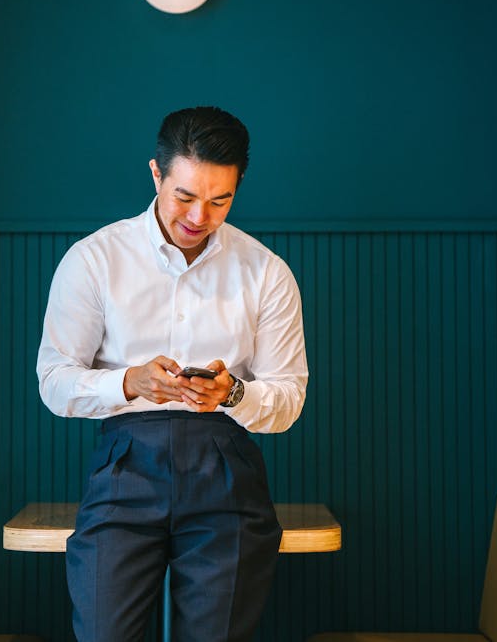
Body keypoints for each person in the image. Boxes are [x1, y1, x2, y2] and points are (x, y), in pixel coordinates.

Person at [36, 106, 308, 642]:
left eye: (220, 200)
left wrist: (233, 394)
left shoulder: (267, 273)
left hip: (226, 474)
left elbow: (288, 397)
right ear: (157, 174)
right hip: (123, 468)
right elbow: (54, 381)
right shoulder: (94, 260)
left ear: (237, 189)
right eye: (185, 196)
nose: (199, 216)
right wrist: (127, 382)